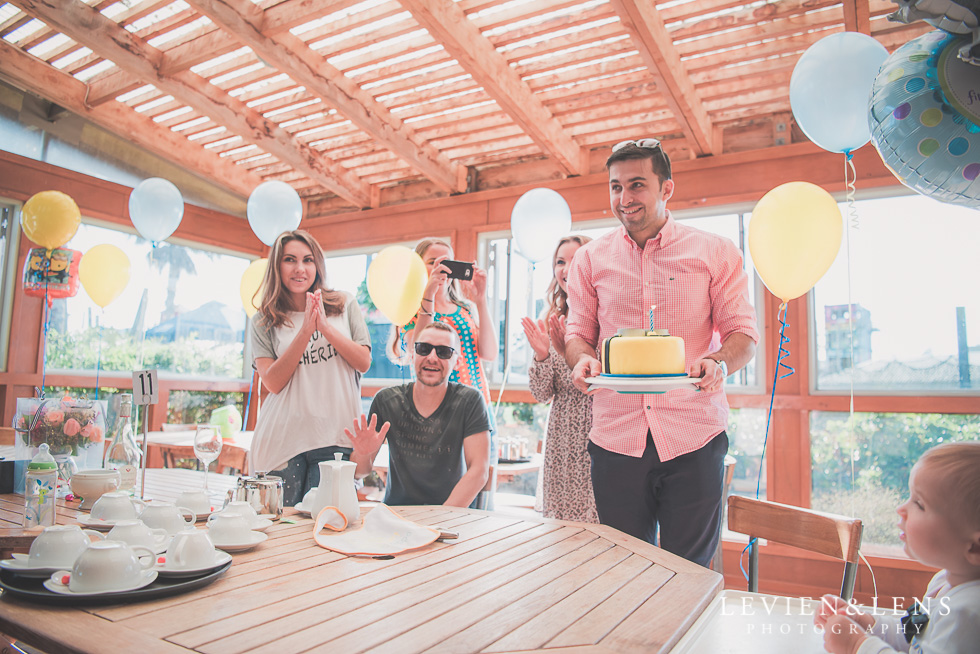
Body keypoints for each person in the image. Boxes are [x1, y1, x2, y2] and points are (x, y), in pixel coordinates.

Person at [564, 138, 759, 567]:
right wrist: (581, 359)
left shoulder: (715, 251)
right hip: (616, 436)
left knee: (689, 570)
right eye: (616, 187)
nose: (624, 198)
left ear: (666, 188)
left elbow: (743, 335)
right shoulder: (590, 259)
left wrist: (716, 361)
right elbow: (577, 332)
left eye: (637, 185)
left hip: (694, 435)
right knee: (623, 568)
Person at [815, 441, 980, 654]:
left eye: (919, 504)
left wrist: (857, 645)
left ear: (974, 548)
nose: (901, 508)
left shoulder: (967, 615)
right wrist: (864, 623)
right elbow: (912, 635)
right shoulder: (945, 581)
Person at [250, 230, 372, 506]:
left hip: (337, 435)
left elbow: (363, 361)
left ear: (317, 265)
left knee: (331, 528)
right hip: (282, 439)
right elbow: (272, 382)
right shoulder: (263, 319)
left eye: (307, 260)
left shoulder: (344, 303)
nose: (299, 268)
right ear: (276, 266)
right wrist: (305, 330)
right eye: (289, 260)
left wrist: (324, 327)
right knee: (280, 533)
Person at [346, 322, 491, 507]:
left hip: (451, 516)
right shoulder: (386, 401)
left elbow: (479, 471)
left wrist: (441, 519)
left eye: (443, 352)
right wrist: (362, 453)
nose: (432, 357)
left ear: (457, 362)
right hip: (397, 516)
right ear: (413, 354)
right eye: (424, 349)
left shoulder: (470, 402)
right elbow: (359, 472)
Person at [521, 235, 598, 523]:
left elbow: (603, 380)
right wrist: (542, 355)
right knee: (562, 531)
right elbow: (541, 393)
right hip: (562, 440)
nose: (566, 270)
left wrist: (570, 353)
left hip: (600, 432)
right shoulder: (551, 318)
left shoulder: (608, 315)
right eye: (560, 262)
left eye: (575, 261)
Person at [394, 238, 497, 406]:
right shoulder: (411, 313)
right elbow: (417, 350)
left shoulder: (465, 309)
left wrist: (481, 300)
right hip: (435, 407)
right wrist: (429, 294)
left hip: (475, 403)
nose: (440, 268)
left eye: (446, 262)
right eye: (432, 262)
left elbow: (490, 353)